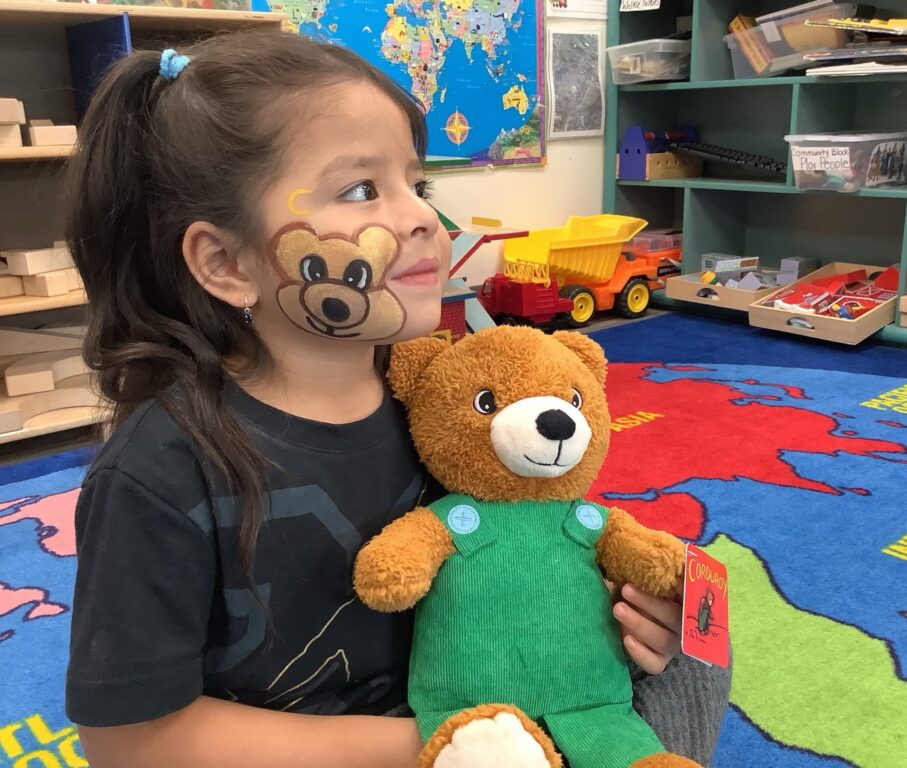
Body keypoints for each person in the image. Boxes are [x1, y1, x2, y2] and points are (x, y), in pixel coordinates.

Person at [63, 30, 729, 768]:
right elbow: (129, 742)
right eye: (360, 190)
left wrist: (629, 616)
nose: (421, 219)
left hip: (487, 701)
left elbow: (518, 542)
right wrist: (438, 746)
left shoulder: (440, 394)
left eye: (420, 185)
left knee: (703, 646)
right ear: (225, 263)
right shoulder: (159, 471)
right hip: (380, 746)